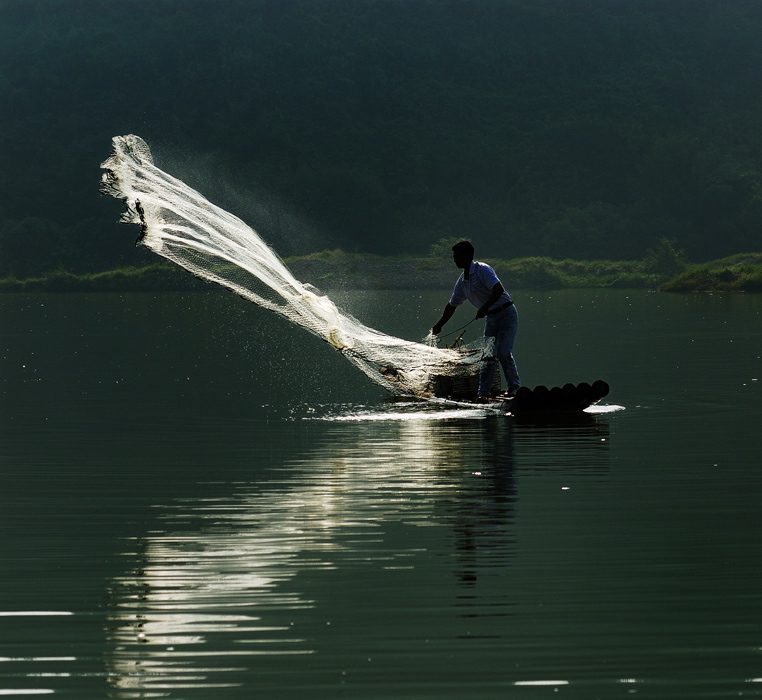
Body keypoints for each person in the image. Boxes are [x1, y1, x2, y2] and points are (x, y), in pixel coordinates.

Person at [431, 240, 520, 399]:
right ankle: (483, 393)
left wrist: (485, 307)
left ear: (467, 256)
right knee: (487, 356)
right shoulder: (462, 282)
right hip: (492, 318)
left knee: (503, 352)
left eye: (457, 256)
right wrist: (439, 325)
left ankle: (514, 388)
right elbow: (452, 306)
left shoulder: (482, 270)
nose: (454, 260)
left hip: (506, 313)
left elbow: (498, 290)